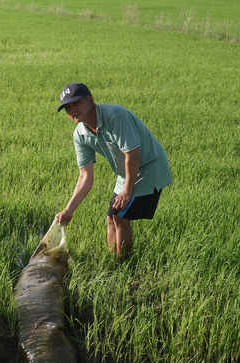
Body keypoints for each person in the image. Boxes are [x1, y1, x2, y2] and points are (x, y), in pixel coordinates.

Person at [54, 82, 172, 260]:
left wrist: (126, 191)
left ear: (90, 100)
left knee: (120, 218)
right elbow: (85, 176)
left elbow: (132, 154)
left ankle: (123, 265)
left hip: (148, 167)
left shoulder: (115, 116)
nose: (72, 110)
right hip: (126, 172)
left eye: (76, 103)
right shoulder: (80, 134)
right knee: (111, 218)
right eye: (67, 107)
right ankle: (113, 262)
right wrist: (68, 210)